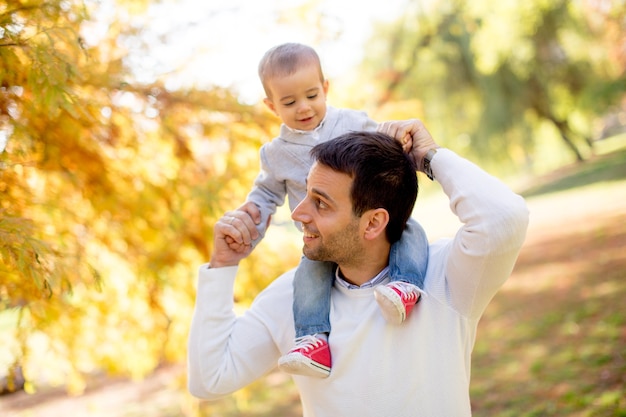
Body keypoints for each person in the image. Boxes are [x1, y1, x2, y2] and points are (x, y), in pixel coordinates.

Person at [188, 119, 529, 416]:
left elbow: (503, 218)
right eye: (306, 194)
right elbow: (211, 378)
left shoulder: (445, 277)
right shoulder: (294, 297)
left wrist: (428, 157)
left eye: (320, 203)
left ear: (373, 224)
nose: (298, 213)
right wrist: (222, 266)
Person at [231, 42, 429, 378]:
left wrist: (402, 142)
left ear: (325, 88)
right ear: (271, 105)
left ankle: (405, 285)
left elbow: (385, 146)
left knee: (408, 230)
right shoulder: (275, 153)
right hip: (320, 237)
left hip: (368, 218)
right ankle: (313, 339)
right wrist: (252, 217)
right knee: (309, 273)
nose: (304, 107)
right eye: (289, 102)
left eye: (311, 95)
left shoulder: (353, 122)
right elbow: (266, 193)